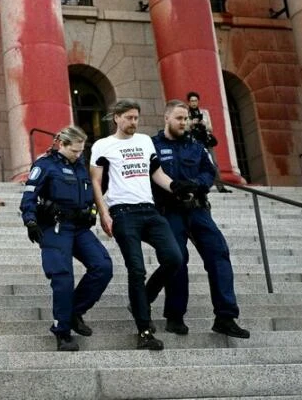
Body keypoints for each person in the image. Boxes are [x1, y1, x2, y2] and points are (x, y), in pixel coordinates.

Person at [89, 99, 190, 351]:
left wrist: (175, 186)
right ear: (117, 118)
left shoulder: (145, 141)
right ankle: (144, 331)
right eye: (129, 118)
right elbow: (96, 182)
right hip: (122, 213)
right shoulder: (103, 145)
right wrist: (104, 214)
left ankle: (143, 299)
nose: (134, 123)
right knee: (137, 270)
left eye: (136, 118)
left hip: (150, 210)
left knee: (174, 258)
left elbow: (157, 173)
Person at [146, 99, 250, 338]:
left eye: (185, 119)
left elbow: (209, 171)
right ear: (167, 118)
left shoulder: (196, 145)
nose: (184, 123)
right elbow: (149, 175)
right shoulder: (151, 145)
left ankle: (225, 316)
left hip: (198, 209)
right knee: (177, 260)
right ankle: (174, 316)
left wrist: (196, 185)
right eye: (179, 118)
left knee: (219, 254)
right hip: (170, 210)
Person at [20, 125, 113, 351]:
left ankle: (74, 312)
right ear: (61, 144)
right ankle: (62, 331)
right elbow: (29, 194)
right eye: (74, 151)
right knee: (63, 278)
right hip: (55, 227)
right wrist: (30, 220)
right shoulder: (45, 165)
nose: (79, 155)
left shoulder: (80, 165)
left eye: (82, 151)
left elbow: (90, 191)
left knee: (103, 266)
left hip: (79, 227)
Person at [187, 91, 230, 193]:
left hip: (206, 140)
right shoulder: (186, 114)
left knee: (214, 163)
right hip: (194, 143)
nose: (194, 103)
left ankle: (221, 187)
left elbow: (210, 128)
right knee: (195, 164)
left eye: (195, 101)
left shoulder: (204, 113)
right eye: (192, 101)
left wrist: (203, 123)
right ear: (188, 102)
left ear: (198, 102)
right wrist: (192, 124)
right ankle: (197, 185)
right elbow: (184, 128)